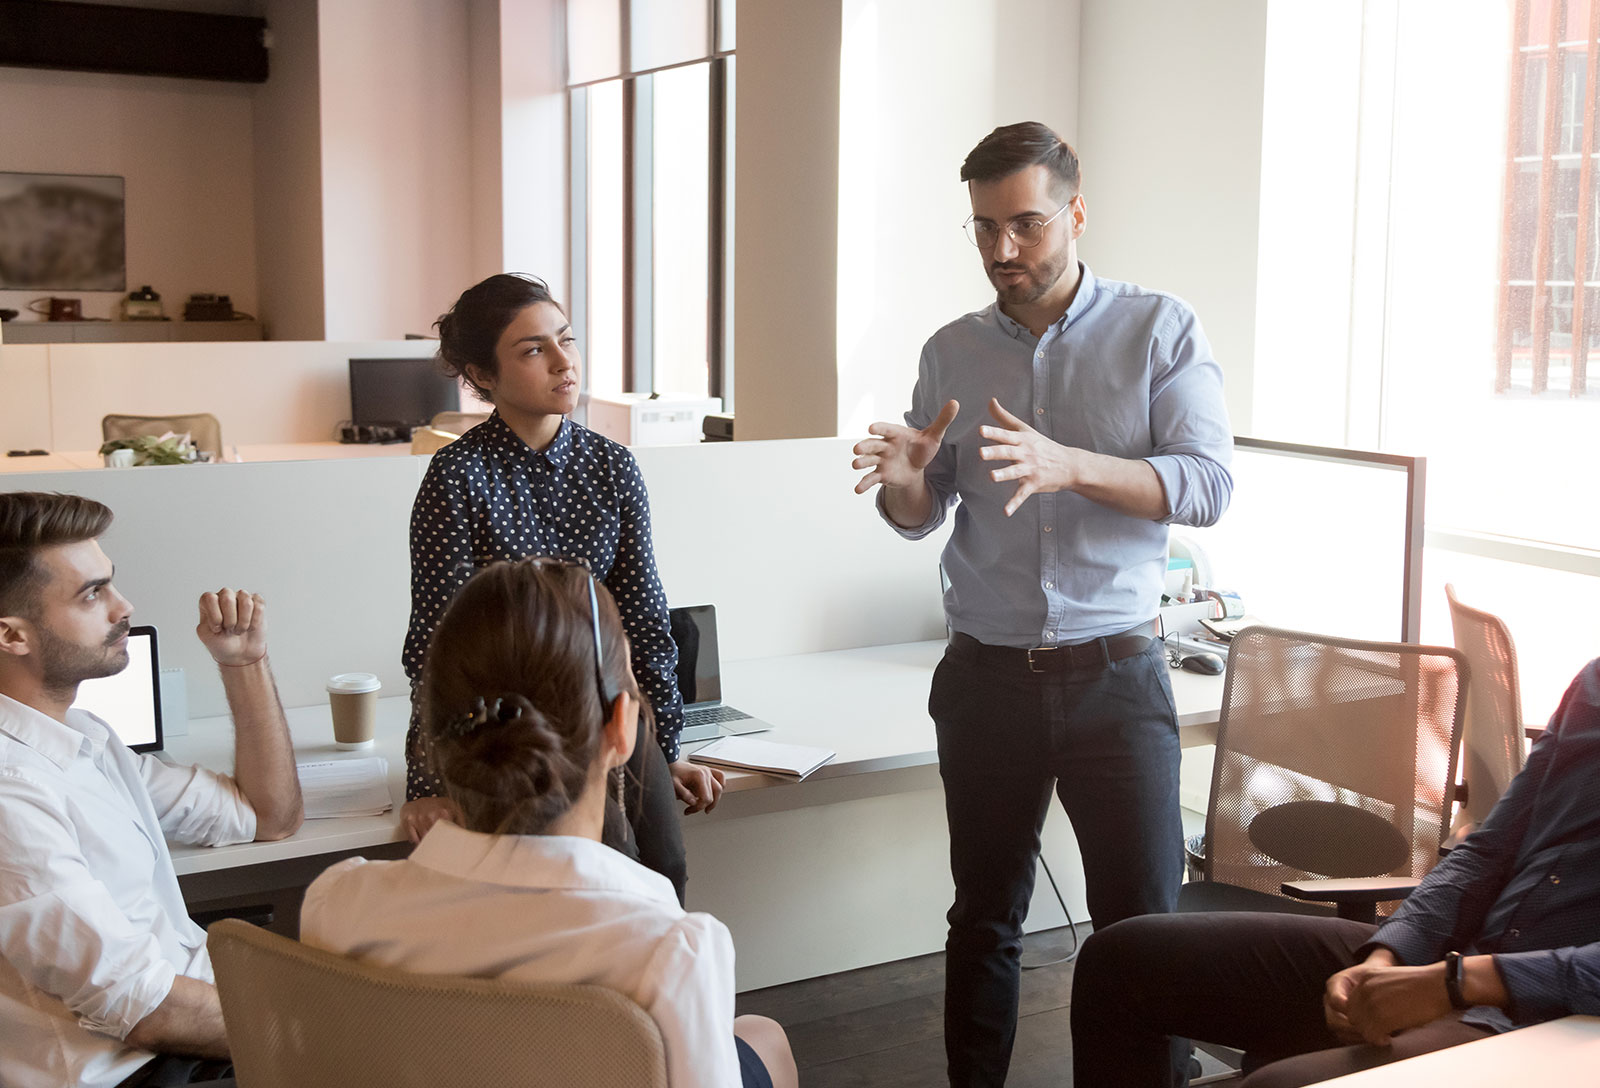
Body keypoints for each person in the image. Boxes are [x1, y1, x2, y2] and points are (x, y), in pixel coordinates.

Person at [851, 121, 1234, 1086]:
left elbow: (1206, 485)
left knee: (1140, 929)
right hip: (987, 678)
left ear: (1076, 212)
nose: (1002, 252)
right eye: (983, 229)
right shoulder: (950, 351)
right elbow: (921, 514)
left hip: (1117, 675)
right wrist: (905, 482)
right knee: (982, 918)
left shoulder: (1159, 328)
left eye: (1024, 225)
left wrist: (1070, 466)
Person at [302, 558, 797, 1088]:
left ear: (434, 740)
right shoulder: (671, 949)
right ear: (621, 729)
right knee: (762, 1035)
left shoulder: (338, 903)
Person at [1070, 655, 1600, 1088]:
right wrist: (1393, 951)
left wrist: (1460, 983)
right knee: (1119, 962)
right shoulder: (1592, 687)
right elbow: (1487, 849)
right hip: (1455, 960)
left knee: (1275, 1085)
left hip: (1551, 1017)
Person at [399, 273, 721, 903]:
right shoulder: (456, 477)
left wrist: (665, 747)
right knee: (596, 874)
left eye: (565, 341)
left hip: (610, 708)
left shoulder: (613, 464)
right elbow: (436, 647)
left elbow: (645, 622)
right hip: (510, 730)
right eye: (532, 350)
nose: (563, 362)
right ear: (482, 375)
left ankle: (657, 998)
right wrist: (427, 784)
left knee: (665, 873)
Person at [0, 491, 304, 1088]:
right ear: (13, 637)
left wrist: (243, 664)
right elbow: (145, 1010)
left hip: (197, 1034)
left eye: (111, 583)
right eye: (92, 594)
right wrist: (312, 1026)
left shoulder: (83, 739)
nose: (123, 607)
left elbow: (267, 816)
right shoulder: (12, 792)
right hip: (141, 1069)